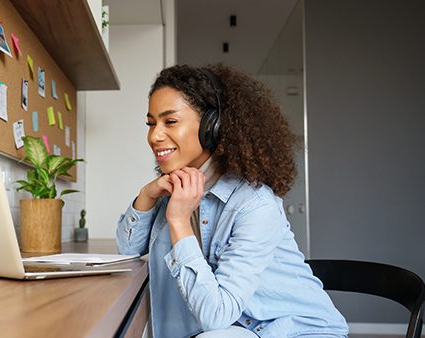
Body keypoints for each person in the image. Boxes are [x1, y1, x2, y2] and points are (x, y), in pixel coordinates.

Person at [116, 64, 348, 338]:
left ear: (211, 127)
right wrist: (147, 195)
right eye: (151, 123)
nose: (154, 136)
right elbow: (128, 249)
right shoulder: (177, 189)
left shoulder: (254, 205)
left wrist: (178, 221)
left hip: (296, 332)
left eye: (170, 121)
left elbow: (216, 316)